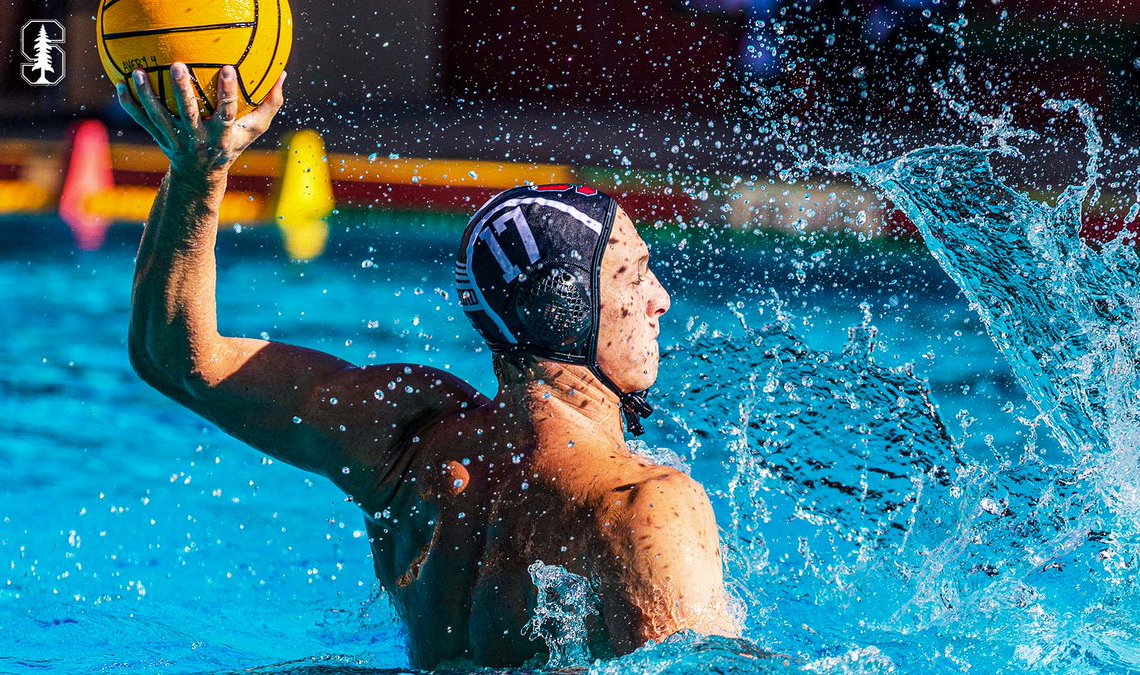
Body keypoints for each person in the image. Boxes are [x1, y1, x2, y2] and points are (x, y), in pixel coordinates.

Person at [118, 63, 741, 668]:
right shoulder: (643, 510)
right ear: (566, 309)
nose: (661, 299)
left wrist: (197, 172)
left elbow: (175, 359)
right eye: (634, 275)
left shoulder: (406, 440)